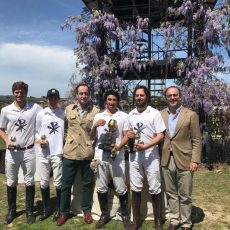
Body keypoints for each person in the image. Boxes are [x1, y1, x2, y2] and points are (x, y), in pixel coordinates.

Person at [56, 83, 99, 226]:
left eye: (86, 93)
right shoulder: (68, 109)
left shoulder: (95, 111)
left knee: (87, 185)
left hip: (87, 153)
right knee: (66, 185)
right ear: (76, 95)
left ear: (89, 95)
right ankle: (63, 212)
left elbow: (96, 134)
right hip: (70, 153)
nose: (83, 96)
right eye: (81, 93)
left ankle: (86, 211)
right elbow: (58, 128)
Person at [0, 81, 42, 224]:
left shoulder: (35, 108)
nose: (19, 94)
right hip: (12, 152)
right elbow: (1, 128)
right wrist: (7, 141)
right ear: (13, 93)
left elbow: (41, 124)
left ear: (26, 93)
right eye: (16, 92)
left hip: (29, 150)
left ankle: (30, 211)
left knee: (29, 181)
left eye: (22, 92)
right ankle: (12, 210)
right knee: (11, 181)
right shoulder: (6, 110)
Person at [160, 86, 202, 230]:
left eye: (175, 95)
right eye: (169, 95)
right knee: (171, 193)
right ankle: (174, 220)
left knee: (185, 195)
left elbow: (197, 140)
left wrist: (195, 160)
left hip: (185, 158)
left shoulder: (190, 115)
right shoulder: (160, 114)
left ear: (180, 96)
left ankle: (186, 223)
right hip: (166, 158)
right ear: (166, 97)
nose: (172, 98)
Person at [90, 90, 131, 229]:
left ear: (117, 101)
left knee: (121, 187)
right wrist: (95, 126)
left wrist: (119, 146)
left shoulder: (124, 116)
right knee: (101, 188)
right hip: (101, 156)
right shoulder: (98, 116)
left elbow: (126, 135)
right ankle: (104, 214)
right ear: (105, 101)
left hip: (117, 156)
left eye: (114, 99)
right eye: (109, 99)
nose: (111, 102)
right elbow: (91, 137)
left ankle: (125, 215)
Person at [127, 85, 165, 230]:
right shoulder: (131, 114)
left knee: (155, 188)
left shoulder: (154, 113)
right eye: (137, 95)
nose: (139, 98)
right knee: (136, 188)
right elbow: (129, 134)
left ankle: (157, 221)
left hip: (151, 156)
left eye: (142, 95)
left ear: (147, 97)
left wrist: (146, 146)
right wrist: (129, 136)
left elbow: (161, 135)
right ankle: (136, 221)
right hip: (135, 156)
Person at [35, 88, 65, 221]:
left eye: (55, 98)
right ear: (47, 99)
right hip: (43, 152)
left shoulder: (63, 113)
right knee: (44, 181)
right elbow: (36, 131)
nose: (52, 100)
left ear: (58, 99)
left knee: (58, 182)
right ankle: (47, 208)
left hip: (57, 152)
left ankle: (59, 208)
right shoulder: (41, 114)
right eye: (50, 98)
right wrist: (39, 140)